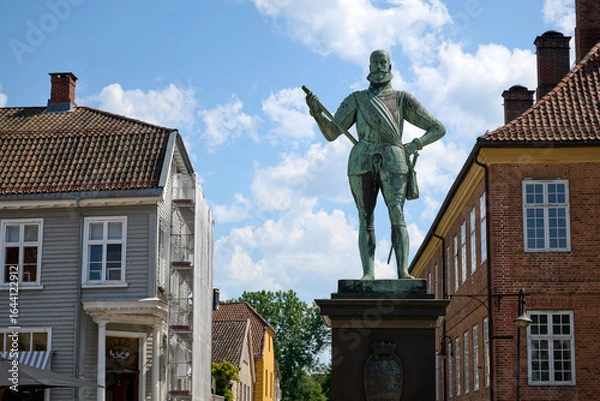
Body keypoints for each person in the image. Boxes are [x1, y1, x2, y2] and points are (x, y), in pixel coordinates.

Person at [306, 49, 445, 280]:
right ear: (369, 68)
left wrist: (414, 144)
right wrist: (317, 113)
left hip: (394, 158)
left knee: (397, 215)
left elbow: (438, 128)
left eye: (383, 63)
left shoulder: (402, 99)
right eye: (375, 63)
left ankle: (403, 272)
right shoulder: (356, 99)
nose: (379, 67)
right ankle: (368, 274)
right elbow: (331, 133)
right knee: (364, 217)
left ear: (390, 67)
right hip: (361, 160)